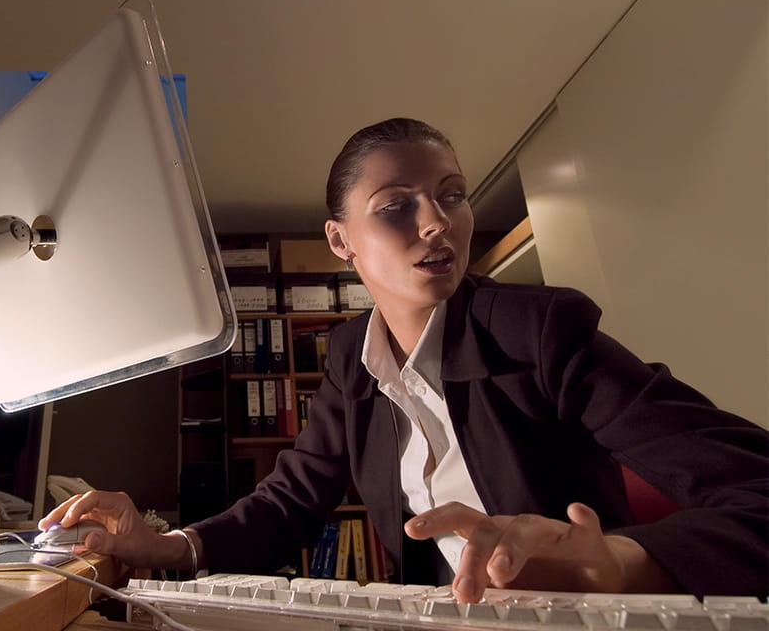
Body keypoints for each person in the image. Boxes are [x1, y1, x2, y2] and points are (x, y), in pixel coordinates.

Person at [41, 117, 769, 602]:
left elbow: (757, 489)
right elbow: (290, 502)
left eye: (451, 195)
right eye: (395, 206)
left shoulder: (543, 331)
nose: (436, 221)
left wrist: (614, 563)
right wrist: (163, 546)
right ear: (339, 241)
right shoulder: (351, 359)